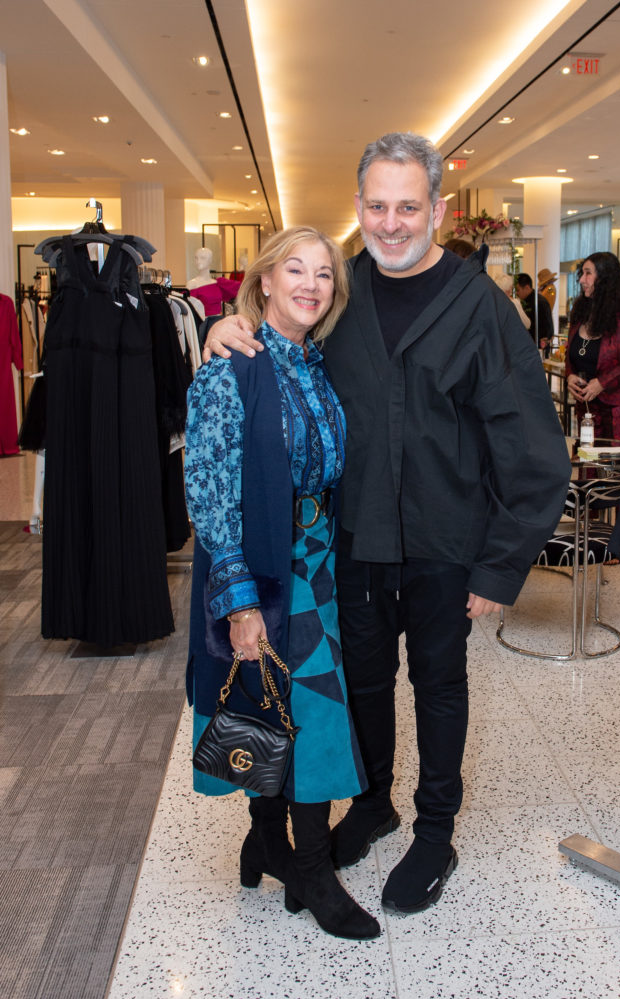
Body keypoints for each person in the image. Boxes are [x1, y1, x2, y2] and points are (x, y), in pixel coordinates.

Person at [205, 131, 571, 915]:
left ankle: (436, 830)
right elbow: (279, 349)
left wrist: (501, 566)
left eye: (409, 206)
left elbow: (536, 451)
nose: (393, 222)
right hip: (351, 546)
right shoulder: (338, 294)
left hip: (448, 549)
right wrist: (226, 333)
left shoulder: (482, 307)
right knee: (362, 685)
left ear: (438, 208)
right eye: (378, 205)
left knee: (439, 686)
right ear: (359, 206)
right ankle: (373, 804)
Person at [184, 226, 379, 941]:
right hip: (263, 561)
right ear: (264, 280)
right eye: (294, 269)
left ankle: (268, 842)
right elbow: (206, 489)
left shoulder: (318, 365)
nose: (309, 283)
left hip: (319, 558)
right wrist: (238, 601)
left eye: (323, 274)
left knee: (292, 708)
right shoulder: (228, 367)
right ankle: (311, 868)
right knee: (294, 709)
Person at [565, 251, 620, 441]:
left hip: (619, 410)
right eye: (582, 274)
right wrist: (570, 375)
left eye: (588, 273)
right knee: (589, 465)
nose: (581, 280)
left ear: (605, 276)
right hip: (587, 410)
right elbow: (572, 352)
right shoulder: (582, 310)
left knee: (616, 468)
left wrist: (603, 382)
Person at [186, 246, 240, 316]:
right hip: (203, 323)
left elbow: (241, 288)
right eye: (196, 258)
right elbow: (189, 311)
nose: (198, 261)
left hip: (218, 321)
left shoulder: (219, 283)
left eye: (202, 258)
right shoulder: (192, 284)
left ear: (210, 260)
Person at [516, 272, 554, 351]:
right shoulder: (525, 301)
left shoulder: (539, 302)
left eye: (518, 290)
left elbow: (547, 328)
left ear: (526, 288)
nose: (517, 293)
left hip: (538, 347)